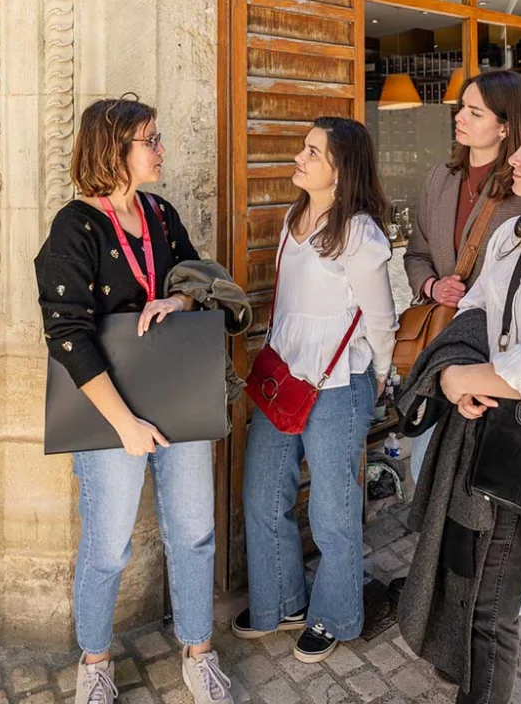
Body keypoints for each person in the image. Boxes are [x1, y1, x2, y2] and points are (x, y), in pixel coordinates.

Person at [35, 97, 234, 704]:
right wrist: (125, 425)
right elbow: (66, 334)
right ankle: (95, 662)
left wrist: (179, 302)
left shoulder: (161, 213)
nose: (160, 149)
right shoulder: (75, 226)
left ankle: (199, 652)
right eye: (150, 139)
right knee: (107, 543)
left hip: (178, 401)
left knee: (195, 531)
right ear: (113, 150)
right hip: (109, 416)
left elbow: (196, 280)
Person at [402, 103, 521, 703]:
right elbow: (480, 308)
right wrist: (460, 372)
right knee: (484, 609)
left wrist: (470, 377)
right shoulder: (513, 235)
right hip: (502, 437)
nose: (514, 158)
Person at [231, 116, 398, 662]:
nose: (299, 158)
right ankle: (281, 602)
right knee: (261, 494)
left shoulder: (360, 233)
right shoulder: (293, 217)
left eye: (313, 152)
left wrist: (380, 374)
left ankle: (336, 615)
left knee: (331, 509)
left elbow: (381, 319)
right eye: (303, 148)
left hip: (338, 386)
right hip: (284, 380)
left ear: (340, 169)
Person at [403, 69, 521, 482]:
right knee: (423, 464)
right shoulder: (441, 177)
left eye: (474, 112)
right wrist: (431, 285)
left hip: (501, 353)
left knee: (480, 474)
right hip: (442, 342)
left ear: (505, 127)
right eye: (461, 108)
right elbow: (416, 254)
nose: (459, 117)